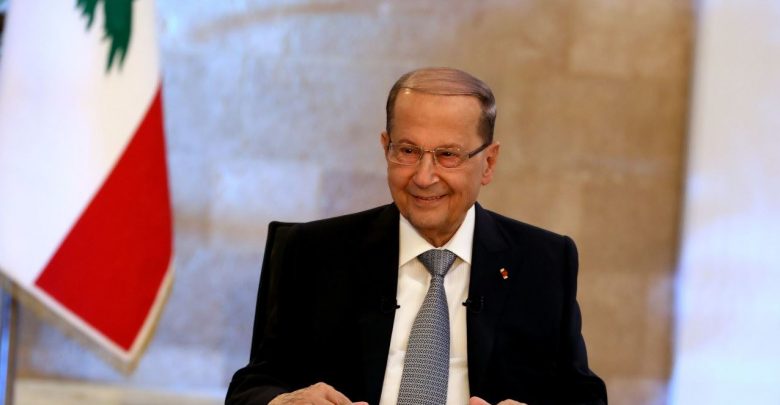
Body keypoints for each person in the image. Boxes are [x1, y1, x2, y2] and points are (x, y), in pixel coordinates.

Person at [226, 67, 607, 405]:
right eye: (408, 151)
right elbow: (251, 387)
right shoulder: (315, 252)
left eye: (448, 155)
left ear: (488, 163)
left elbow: (584, 396)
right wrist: (284, 402)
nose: (424, 177)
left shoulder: (542, 261)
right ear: (385, 148)